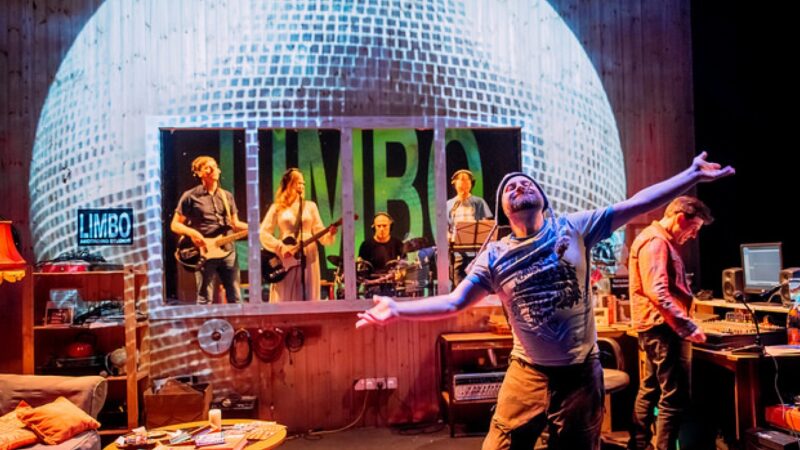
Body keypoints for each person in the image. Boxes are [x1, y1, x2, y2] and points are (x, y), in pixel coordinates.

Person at [356, 152, 734, 449]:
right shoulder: (495, 254)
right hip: (527, 371)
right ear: (504, 208)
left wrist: (691, 175)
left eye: (526, 183)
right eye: (511, 187)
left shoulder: (574, 227)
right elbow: (455, 302)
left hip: (579, 374)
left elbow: (636, 203)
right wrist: (398, 308)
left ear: (543, 199)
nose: (519, 187)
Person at [628, 196, 712, 450]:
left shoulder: (653, 238)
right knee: (674, 400)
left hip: (656, 327)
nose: (693, 236)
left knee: (651, 388)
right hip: (665, 329)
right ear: (680, 218)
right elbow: (658, 292)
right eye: (694, 228)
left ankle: (639, 445)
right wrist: (688, 326)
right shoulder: (657, 242)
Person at [171, 156, 248, 304]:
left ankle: (237, 327)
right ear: (199, 173)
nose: (212, 169)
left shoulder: (227, 196)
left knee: (236, 297)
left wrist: (256, 228)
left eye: (214, 166)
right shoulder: (190, 196)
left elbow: (235, 223)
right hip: (204, 251)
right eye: (207, 167)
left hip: (228, 251)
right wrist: (192, 233)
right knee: (205, 298)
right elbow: (175, 225)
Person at [260, 168, 337, 302]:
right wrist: (280, 247)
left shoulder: (310, 206)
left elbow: (319, 231)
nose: (301, 186)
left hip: (308, 252)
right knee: (286, 289)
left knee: (307, 289)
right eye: (297, 182)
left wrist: (329, 234)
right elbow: (263, 232)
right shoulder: (278, 207)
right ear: (288, 184)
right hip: (287, 252)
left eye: (303, 183)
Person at [446, 169, 493, 285]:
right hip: (458, 251)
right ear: (455, 183)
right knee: (459, 281)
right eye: (461, 180)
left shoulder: (478, 202)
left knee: (477, 282)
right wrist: (449, 237)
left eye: (467, 180)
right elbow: (445, 226)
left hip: (476, 251)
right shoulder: (449, 204)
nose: (464, 183)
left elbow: (487, 223)